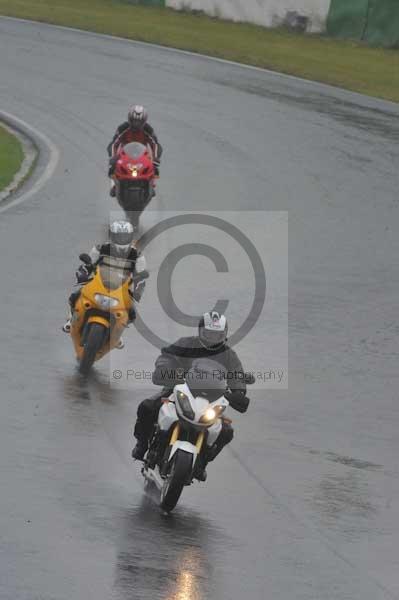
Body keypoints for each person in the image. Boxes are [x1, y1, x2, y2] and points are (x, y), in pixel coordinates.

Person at [132, 311, 250, 480]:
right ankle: (142, 444)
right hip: (179, 388)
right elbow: (167, 356)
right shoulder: (186, 344)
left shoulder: (229, 355)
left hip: (211, 398)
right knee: (147, 407)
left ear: (224, 335)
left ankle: (202, 463)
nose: (212, 338)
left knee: (226, 431)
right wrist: (165, 369)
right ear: (200, 331)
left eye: (217, 334)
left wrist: (238, 392)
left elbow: (237, 375)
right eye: (208, 333)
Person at [62, 220, 148, 348]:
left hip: (121, 289)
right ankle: (71, 320)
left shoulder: (138, 256)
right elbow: (87, 265)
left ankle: (117, 335)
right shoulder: (100, 248)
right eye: (118, 236)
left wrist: (137, 291)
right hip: (98, 283)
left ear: (130, 237)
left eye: (125, 236)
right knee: (75, 296)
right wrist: (83, 275)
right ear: (111, 235)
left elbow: (141, 277)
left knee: (131, 313)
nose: (121, 239)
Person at [107, 105, 163, 197]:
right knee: (112, 168)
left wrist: (156, 158)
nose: (136, 124)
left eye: (139, 122)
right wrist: (113, 158)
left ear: (144, 121)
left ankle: (151, 184)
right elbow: (114, 144)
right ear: (130, 119)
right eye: (134, 121)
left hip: (143, 154)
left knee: (154, 167)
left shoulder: (148, 129)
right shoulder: (123, 128)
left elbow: (155, 144)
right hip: (124, 153)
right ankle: (114, 185)